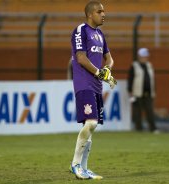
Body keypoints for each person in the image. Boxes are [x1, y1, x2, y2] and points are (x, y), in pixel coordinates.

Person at [69, 0, 117, 180]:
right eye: (100, 11)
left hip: (96, 86)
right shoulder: (81, 30)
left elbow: (110, 59)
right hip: (84, 84)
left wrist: (107, 70)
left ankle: (84, 168)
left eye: (104, 11)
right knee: (91, 123)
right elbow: (80, 58)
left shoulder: (100, 34)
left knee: (90, 127)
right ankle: (75, 164)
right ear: (90, 14)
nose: (103, 14)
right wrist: (99, 72)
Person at [127, 48, 158, 133]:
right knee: (137, 111)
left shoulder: (149, 65)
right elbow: (130, 79)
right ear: (139, 56)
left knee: (150, 111)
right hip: (137, 92)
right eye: (143, 56)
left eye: (146, 56)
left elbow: (152, 79)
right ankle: (139, 128)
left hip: (148, 92)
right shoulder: (134, 65)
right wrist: (130, 91)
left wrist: (154, 90)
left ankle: (153, 128)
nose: (145, 58)